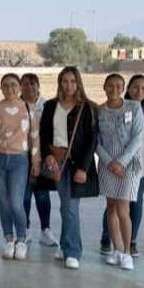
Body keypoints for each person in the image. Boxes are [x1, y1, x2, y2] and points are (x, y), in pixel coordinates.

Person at [38, 67, 98, 270]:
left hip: (76, 164)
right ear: (59, 83)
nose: (69, 85)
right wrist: (47, 155)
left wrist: (84, 168)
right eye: (65, 81)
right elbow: (44, 134)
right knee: (65, 206)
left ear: (78, 83)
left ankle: (73, 251)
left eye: (73, 81)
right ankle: (65, 247)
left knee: (71, 207)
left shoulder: (88, 108)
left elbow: (92, 141)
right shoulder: (50, 106)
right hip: (56, 162)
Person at [0, 73, 41, 261]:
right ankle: (8, 238)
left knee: (16, 203)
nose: (10, 89)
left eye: (13, 85)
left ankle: (22, 239)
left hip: (20, 161)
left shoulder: (29, 109)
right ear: (1, 88)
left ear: (19, 88)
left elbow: (34, 136)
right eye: (6, 86)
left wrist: (35, 161)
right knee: (5, 203)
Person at [95, 74, 144, 272]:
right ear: (104, 87)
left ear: (123, 87)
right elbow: (96, 141)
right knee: (111, 207)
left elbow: (138, 137)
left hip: (128, 166)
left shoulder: (133, 108)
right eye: (110, 85)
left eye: (118, 85)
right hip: (108, 166)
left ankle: (127, 252)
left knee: (123, 210)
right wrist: (110, 162)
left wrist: (122, 162)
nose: (114, 89)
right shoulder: (99, 111)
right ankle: (115, 249)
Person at [20, 73, 55, 246]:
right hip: (21, 157)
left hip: (43, 156)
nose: (29, 87)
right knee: (24, 195)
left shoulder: (47, 106)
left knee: (42, 194)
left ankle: (45, 230)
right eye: (25, 84)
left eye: (33, 83)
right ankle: (24, 230)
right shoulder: (16, 105)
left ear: (38, 86)